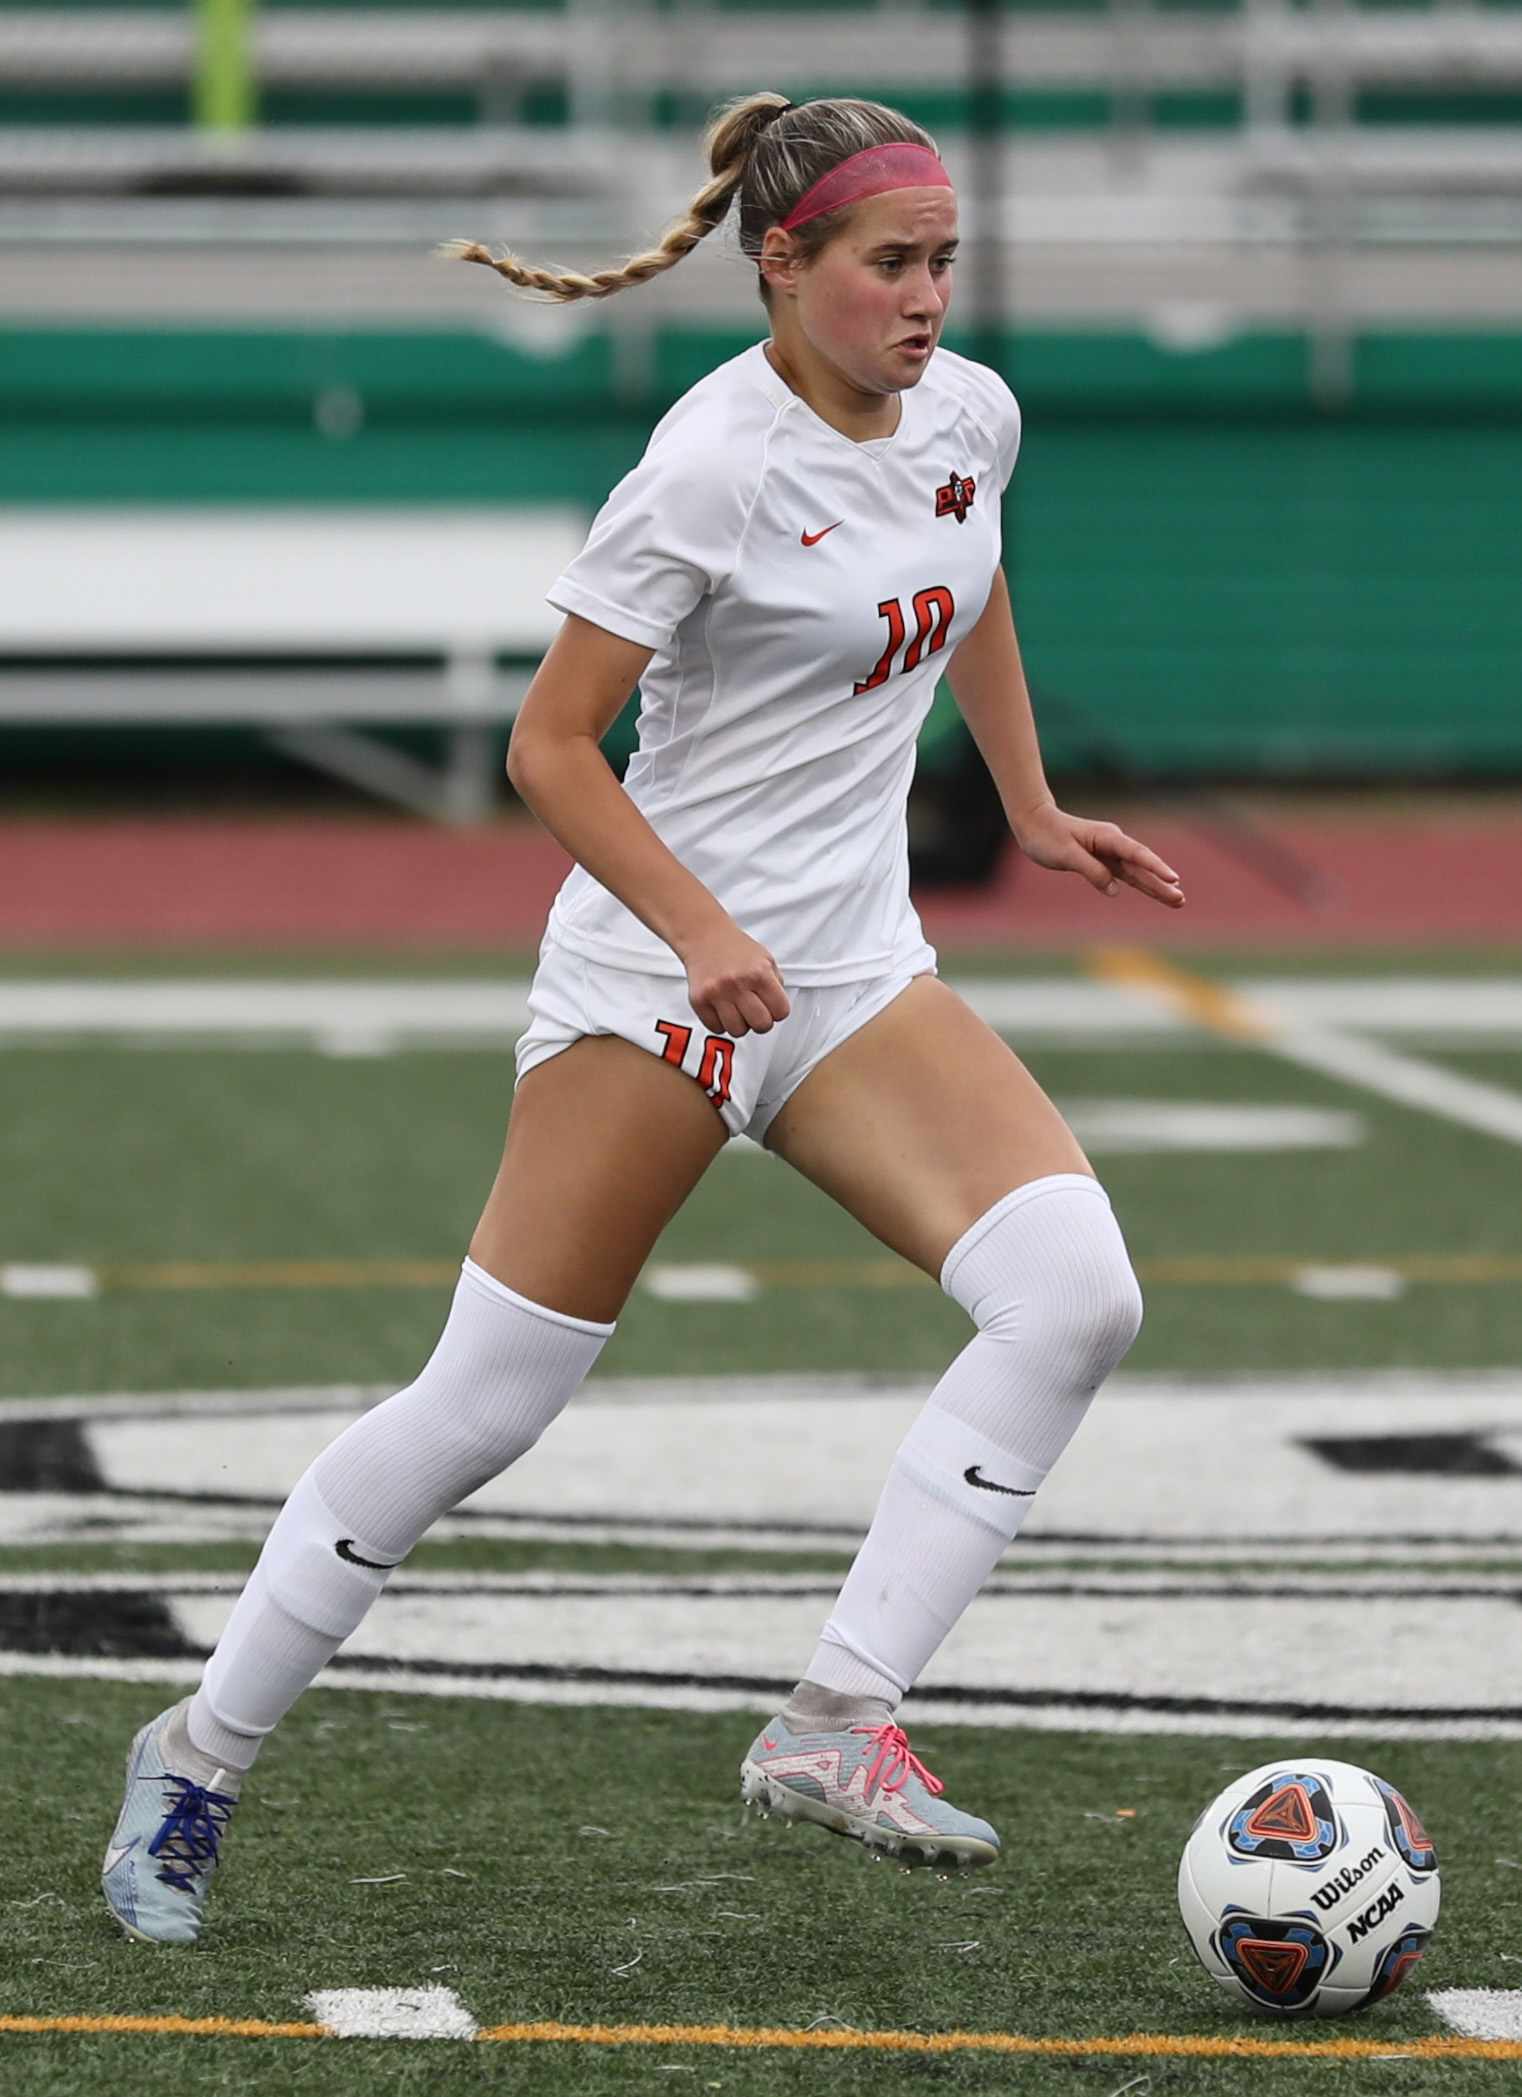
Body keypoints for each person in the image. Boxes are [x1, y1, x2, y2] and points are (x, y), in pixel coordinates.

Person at [102, 90, 1183, 1945]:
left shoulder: (970, 413)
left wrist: (1020, 800)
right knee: (485, 1405)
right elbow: (549, 746)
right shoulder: (708, 465)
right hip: (652, 986)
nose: (927, 298)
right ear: (782, 265)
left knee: (1076, 1295)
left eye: (942, 262)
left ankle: (834, 1720)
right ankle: (196, 1753)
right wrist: (694, 932)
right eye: (889, 264)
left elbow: (970, 570)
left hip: (851, 976)